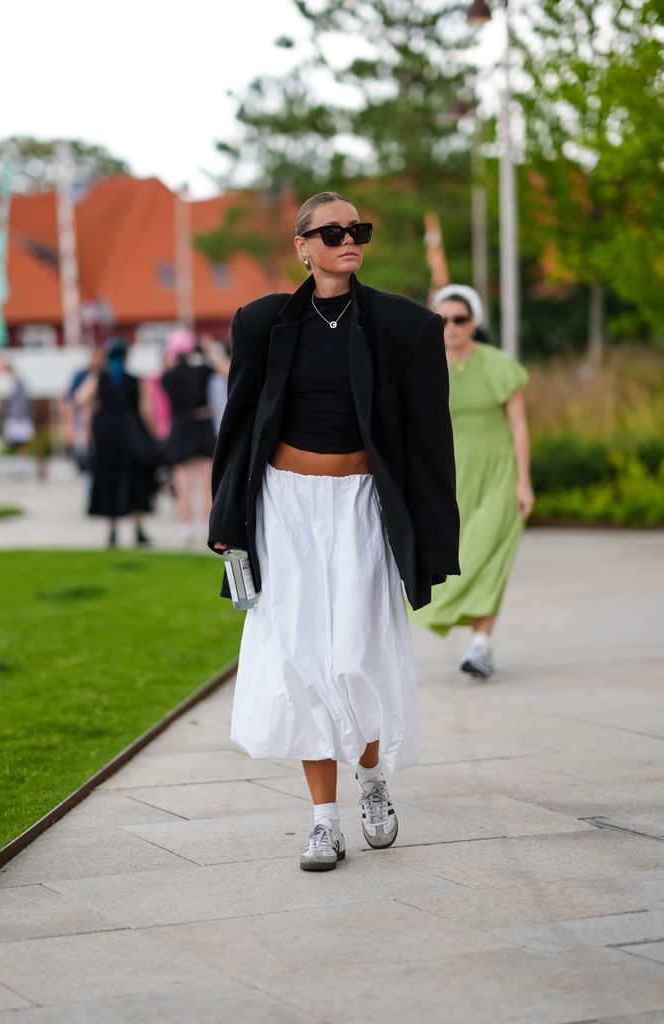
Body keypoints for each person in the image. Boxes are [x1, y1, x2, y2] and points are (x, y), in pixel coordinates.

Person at [208, 191, 459, 872]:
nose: (348, 240)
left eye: (358, 230)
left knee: (353, 656)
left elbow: (429, 441)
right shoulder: (260, 323)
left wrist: (434, 534)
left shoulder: (402, 327)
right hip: (283, 506)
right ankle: (323, 821)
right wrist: (227, 521)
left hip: (359, 505)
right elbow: (237, 429)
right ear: (302, 245)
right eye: (333, 232)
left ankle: (371, 778)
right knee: (299, 662)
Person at [412, 284, 534, 678]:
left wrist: (524, 482)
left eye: (460, 319)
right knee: (459, 560)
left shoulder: (498, 364)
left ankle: (481, 644)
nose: (451, 327)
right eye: (443, 320)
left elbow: (519, 426)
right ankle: (475, 639)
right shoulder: (423, 366)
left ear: (474, 321)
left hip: (499, 474)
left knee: (489, 558)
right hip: (450, 477)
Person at [76, 338, 157, 548]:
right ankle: (139, 529)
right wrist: (154, 435)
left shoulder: (100, 379)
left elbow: (80, 398)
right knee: (136, 481)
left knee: (109, 480)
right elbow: (146, 411)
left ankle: (112, 531)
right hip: (132, 435)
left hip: (107, 437)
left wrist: (95, 373)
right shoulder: (137, 380)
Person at [161, 328, 216, 545]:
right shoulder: (201, 370)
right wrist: (207, 348)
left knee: (182, 480)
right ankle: (206, 525)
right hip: (202, 424)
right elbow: (222, 369)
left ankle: (185, 527)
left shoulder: (167, 377)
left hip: (181, 427)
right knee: (207, 480)